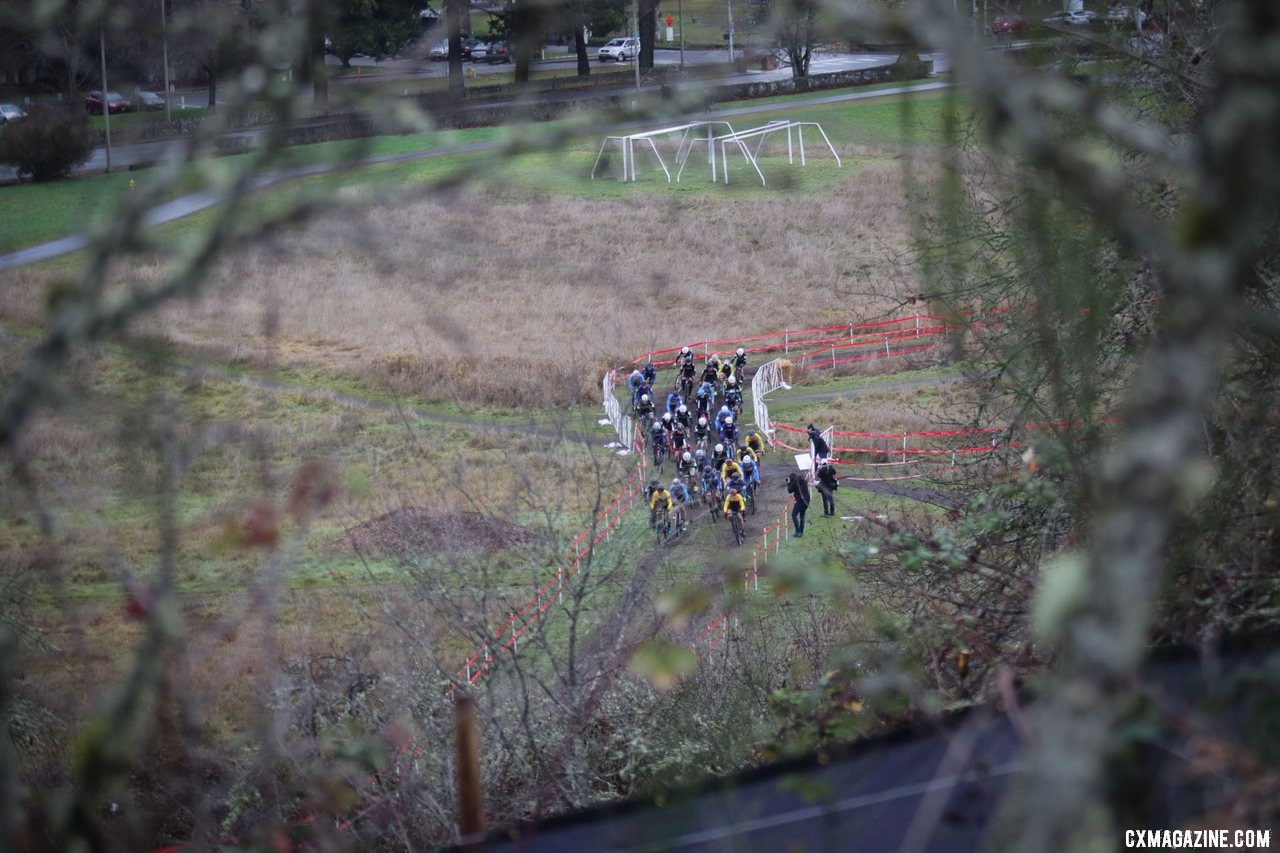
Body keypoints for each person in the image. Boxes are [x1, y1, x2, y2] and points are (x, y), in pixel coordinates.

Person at [787, 472, 811, 537]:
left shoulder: (795, 482)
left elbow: (789, 490)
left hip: (800, 500)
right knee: (802, 515)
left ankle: (798, 532)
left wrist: (788, 483)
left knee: (794, 515)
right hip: (807, 500)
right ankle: (801, 532)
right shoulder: (802, 479)